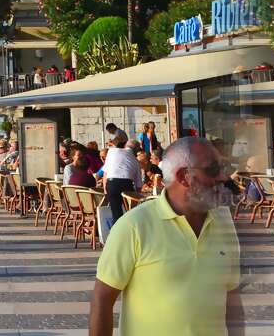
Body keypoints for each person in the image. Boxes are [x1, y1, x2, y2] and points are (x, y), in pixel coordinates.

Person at [90, 138, 241, 335]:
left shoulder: (224, 221)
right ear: (184, 176)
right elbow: (102, 299)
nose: (223, 177)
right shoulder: (134, 225)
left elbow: (231, 298)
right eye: (212, 170)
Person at [99, 133, 141, 226]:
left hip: (112, 183)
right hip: (126, 184)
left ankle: (116, 235)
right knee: (129, 213)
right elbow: (138, 186)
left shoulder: (112, 152)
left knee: (116, 213)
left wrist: (106, 191)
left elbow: (105, 173)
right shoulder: (136, 162)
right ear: (136, 151)